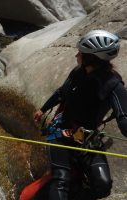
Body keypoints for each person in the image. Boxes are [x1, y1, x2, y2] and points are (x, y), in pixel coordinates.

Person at [33, 30, 127, 200]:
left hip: (87, 138)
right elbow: (62, 92)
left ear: (92, 57)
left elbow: (124, 118)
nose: (77, 55)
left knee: (103, 186)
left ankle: (77, 190)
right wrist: (43, 109)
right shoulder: (78, 72)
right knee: (60, 181)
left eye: (81, 53)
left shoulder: (113, 84)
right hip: (61, 132)